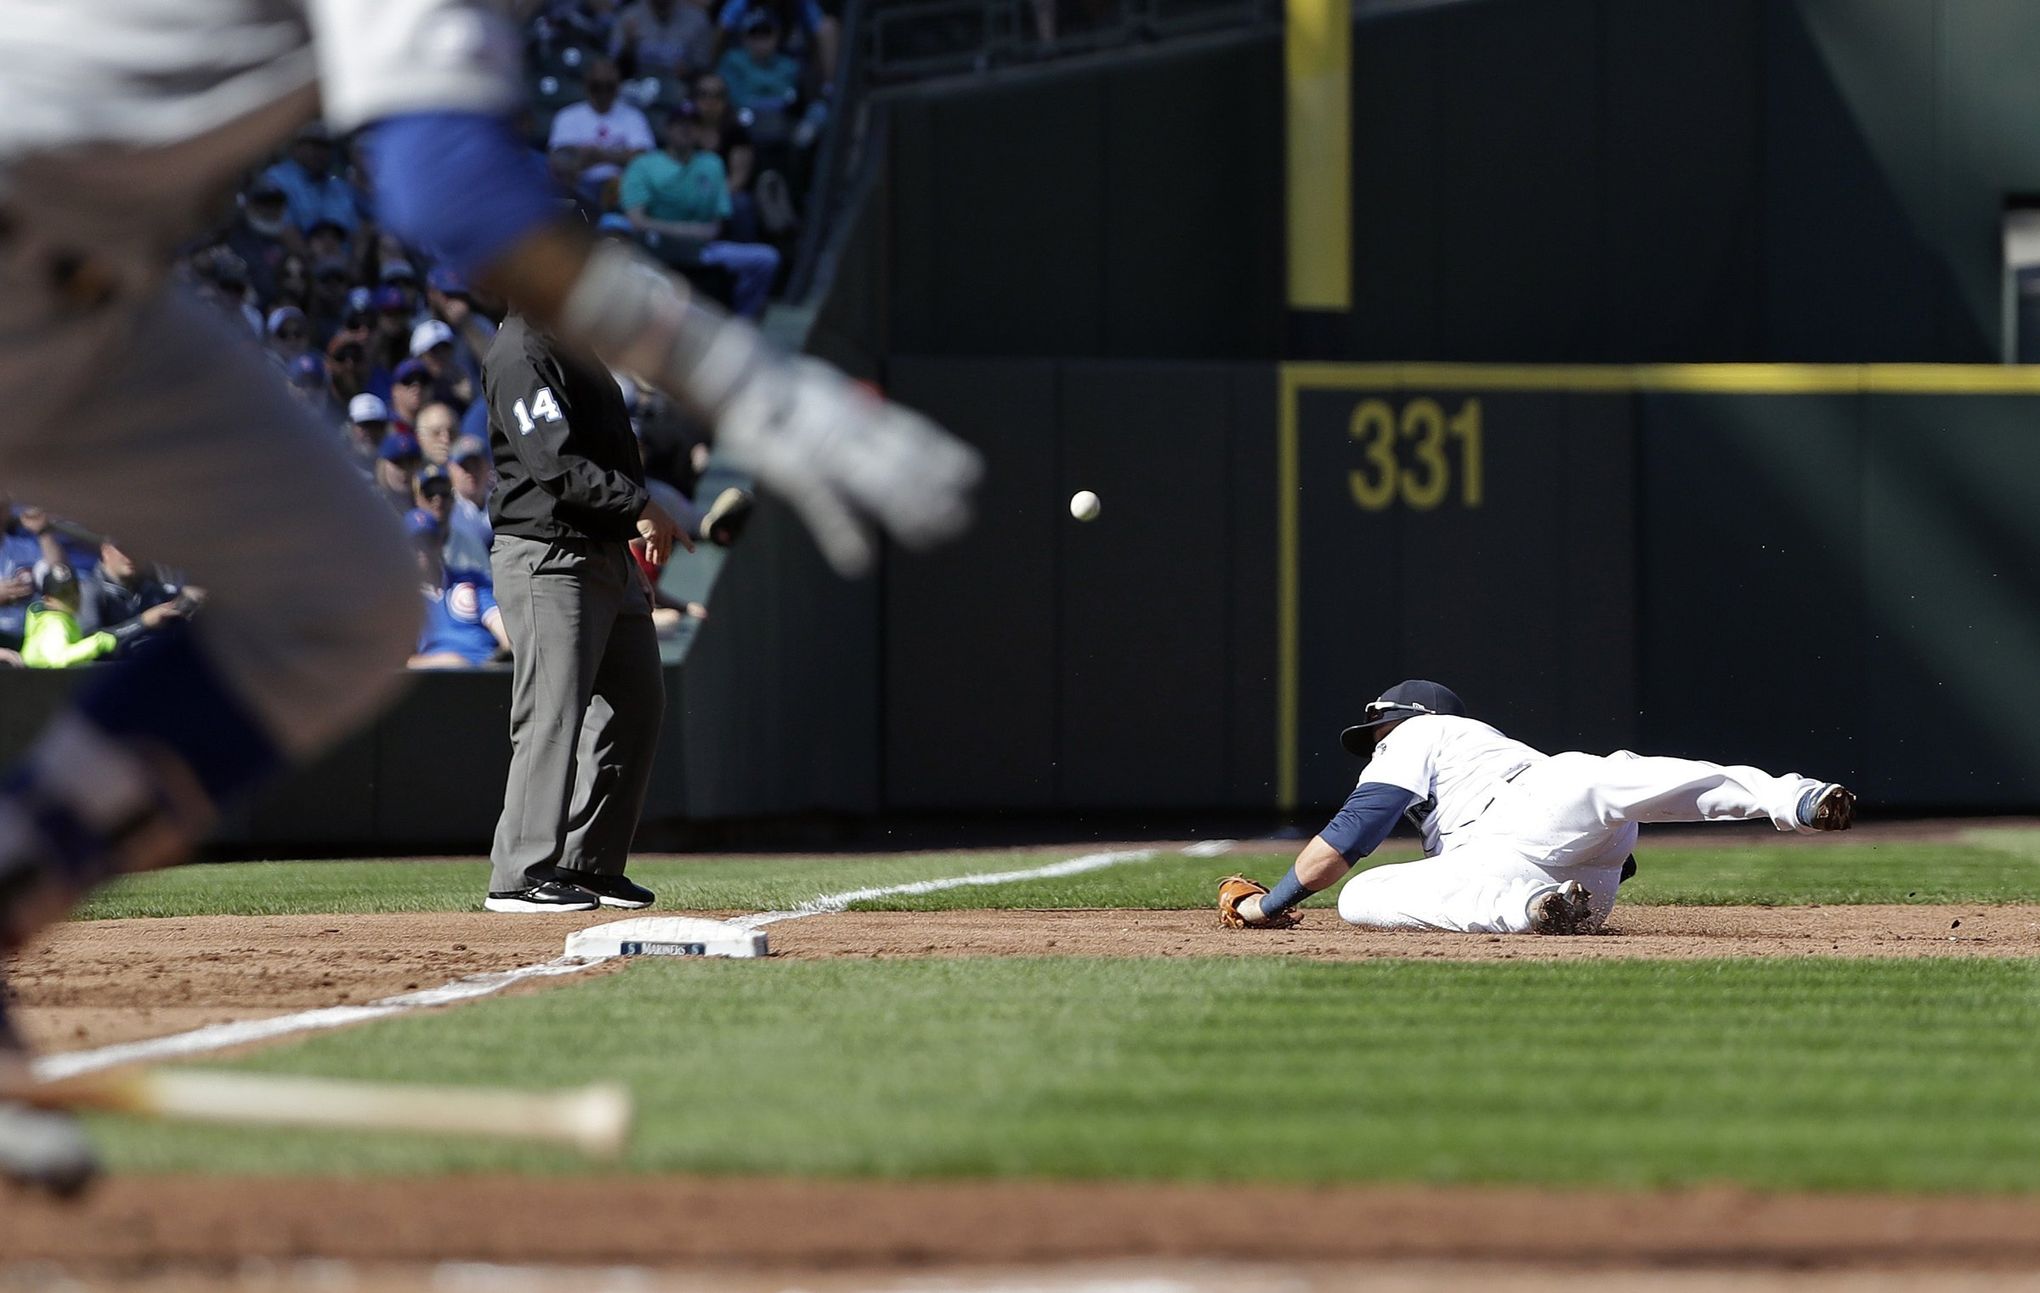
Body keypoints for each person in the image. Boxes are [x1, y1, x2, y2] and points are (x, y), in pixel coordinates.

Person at [0, 0, 978, 1196]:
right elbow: (451, 187)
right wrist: (741, 379)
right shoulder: (526, 339)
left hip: (85, 294)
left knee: (345, 595)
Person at [1220, 681, 1858, 937]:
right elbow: (1617, 853)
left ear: (1411, 719)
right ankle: (1792, 797)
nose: (1376, 744)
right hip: (1573, 865)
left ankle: (1527, 911)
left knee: (1357, 896)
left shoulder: (1421, 733)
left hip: (1513, 832)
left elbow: (1349, 838)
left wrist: (1267, 903)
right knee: (1618, 780)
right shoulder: (1503, 749)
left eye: (1379, 730)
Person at [481, 311, 675, 914]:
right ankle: (519, 874)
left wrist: (627, 542)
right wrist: (638, 507)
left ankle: (586, 864)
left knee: (638, 703)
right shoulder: (520, 350)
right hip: (548, 554)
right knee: (552, 715)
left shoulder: (576, 345)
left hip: (603, 554)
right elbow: (554, 463)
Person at [621, 104, 780, 318]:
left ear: (700, 131)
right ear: (668, 128)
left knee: (766, 259)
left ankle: (739, 325)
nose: (686, 129)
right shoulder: (644, 164)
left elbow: (715, 227)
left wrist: (676, 231)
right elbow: (636, 221)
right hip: (652, 248)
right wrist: (686, 232)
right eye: (680, 124)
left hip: (703, 250)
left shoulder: (712, 164)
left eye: (692, 125)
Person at [407, 510, 509, 669]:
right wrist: (448, 662)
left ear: (441, 542)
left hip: (487, 671)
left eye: (429, 540)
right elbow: (400, 662)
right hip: (436, 681)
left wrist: (507, 649)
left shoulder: (471, 580)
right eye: (415, 543)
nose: (423, 549)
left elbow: (501, 629)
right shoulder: (403, 600)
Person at [546, 57, 656, 194]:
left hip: (623, 188)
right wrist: (621, 156)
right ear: (586, 84)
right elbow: (560, 161)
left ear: (617, 86)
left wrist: (597, 155)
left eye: (609, 86)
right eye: (596, 86)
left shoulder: (634, 117)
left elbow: (644, 160)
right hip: (579, 188)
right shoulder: (567, 116)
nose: (603, 92)